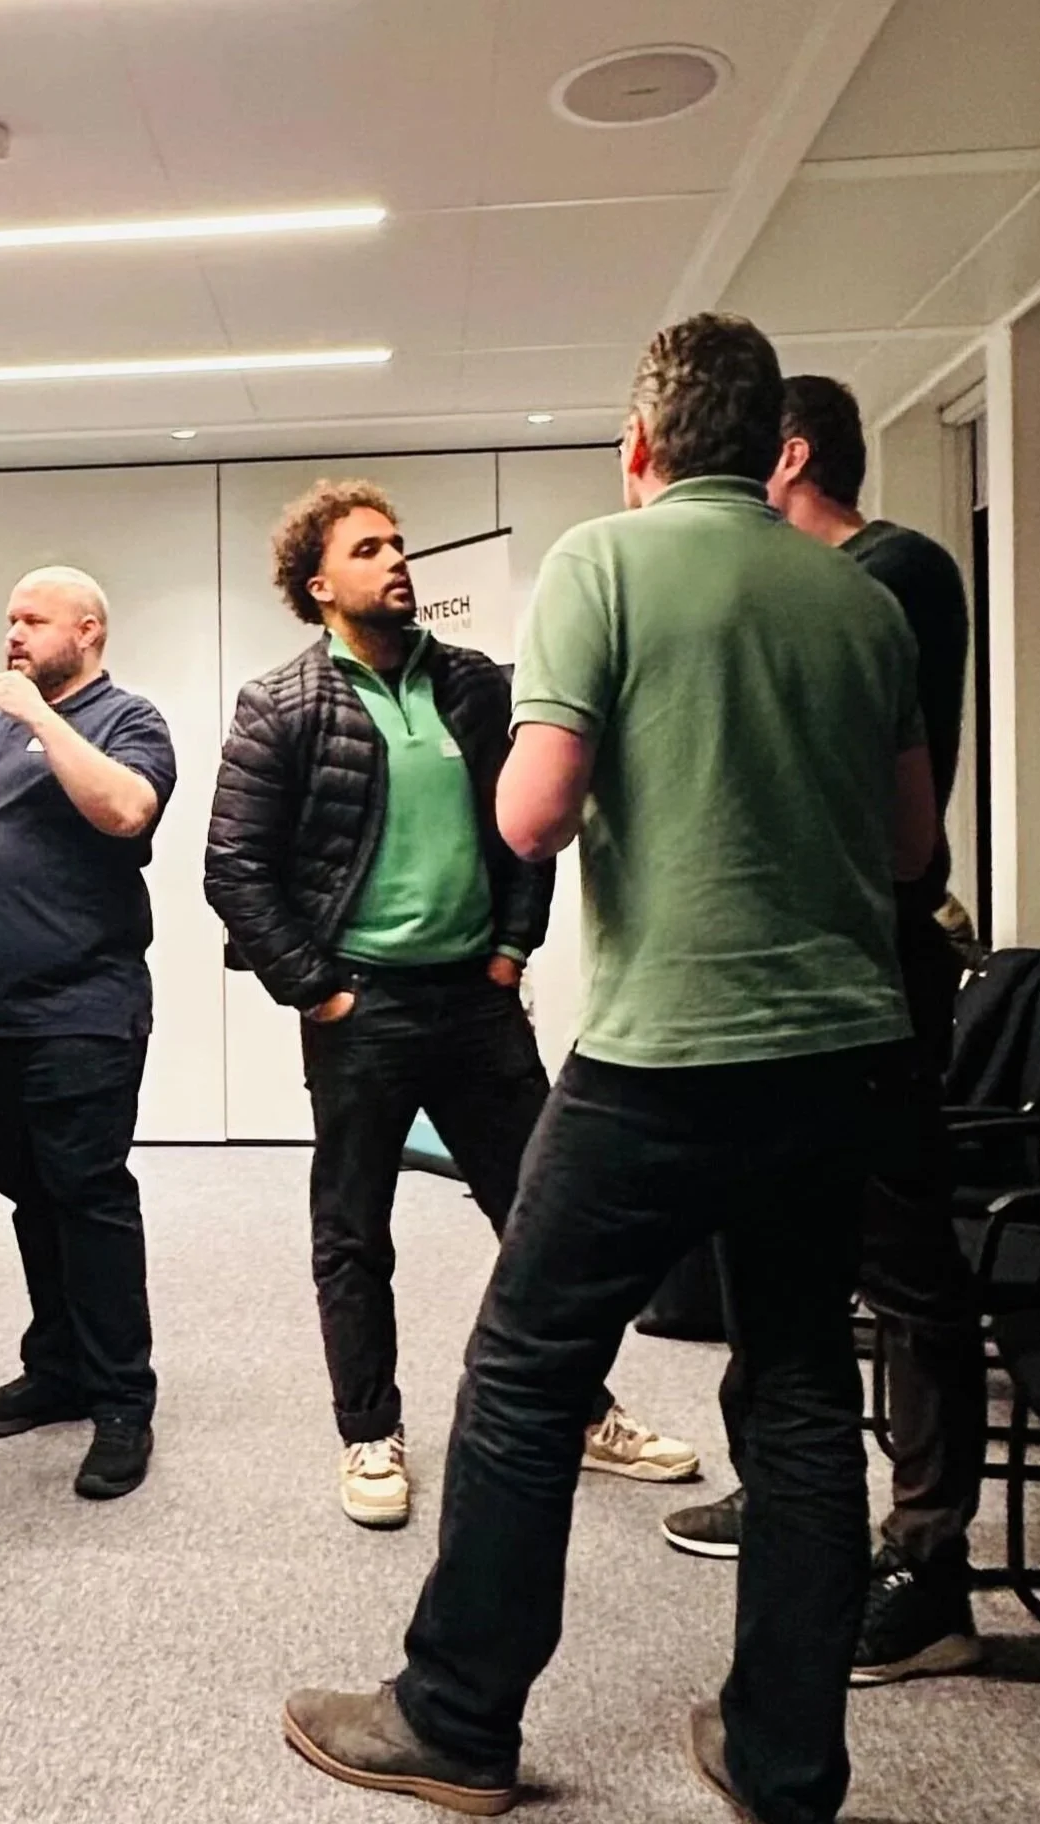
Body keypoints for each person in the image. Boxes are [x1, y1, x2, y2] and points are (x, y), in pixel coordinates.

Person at [280, 315, 936, 1823]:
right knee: (798, 1385)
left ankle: (454, 1719)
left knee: (524, 1372)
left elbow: (531, 815)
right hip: (840, 1052)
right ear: (773, 446)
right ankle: (784, 1758)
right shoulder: (862, 597)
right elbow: (911, 847)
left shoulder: (601, 561)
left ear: (641, 444)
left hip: (666, 1057)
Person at [206, 478, 696, 1531]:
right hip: (363, 1010)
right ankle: (369, 1432)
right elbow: (234, 867)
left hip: (477, 1001)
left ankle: (581, 1411)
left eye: (399, 543)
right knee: (354, 1232)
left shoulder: (474, 684)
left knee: (540, 1217)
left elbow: (528, 827)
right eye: (367, 548)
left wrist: (513, 947)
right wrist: (319, 990)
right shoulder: (281, 704)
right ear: (317, 584)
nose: (396, 560)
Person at [662, 375, 983, 1688]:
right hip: (798, 977)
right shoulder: (821, 581)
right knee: (783, 1243)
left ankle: (930, 1566)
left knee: (904, 1269)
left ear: (788, 457)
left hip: (876, 975)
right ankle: (798, 1490)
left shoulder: (890, 573)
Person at [0, 566, 176, 1501]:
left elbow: (126, 811)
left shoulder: (128, 719)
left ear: (87, 631)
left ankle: (122, 1400)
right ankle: (59, 1368)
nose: (13, 633)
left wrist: (42, 719)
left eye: (33, 619)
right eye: (8, 618)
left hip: (80, 1008)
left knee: (88, 1197)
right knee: (30, 1198)